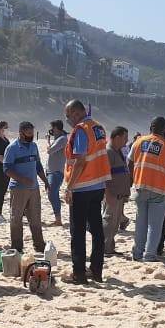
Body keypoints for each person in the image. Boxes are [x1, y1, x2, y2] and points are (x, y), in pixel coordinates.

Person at [63, 99, 112, 284]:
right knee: (97, 230)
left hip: (82, 187)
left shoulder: (81, 130)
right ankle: (97, 270)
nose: (68, 119)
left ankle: (79, 273)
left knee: (78, 231)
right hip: (98, 185)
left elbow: (80, 160)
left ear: (77, 113)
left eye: (69, 116)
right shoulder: (99, 127)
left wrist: (69, 187)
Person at [129, 117, 165, 263]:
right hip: (159, 189)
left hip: (140, 187)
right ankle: (149, 255)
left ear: (150, 127)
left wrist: (133, 180)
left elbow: (130, 163)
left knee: (140, 223)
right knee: (154, 225)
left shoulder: (138, 142)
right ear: (164, 129)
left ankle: (137, 253)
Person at [3, 122, 49, 252]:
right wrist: (22, 179)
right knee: (16, 218)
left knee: (35, 217)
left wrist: (45, 181)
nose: (31, 136)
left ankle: (39, 245)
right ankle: (17, 247)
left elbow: (38, 165)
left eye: (32, 133)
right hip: (18, 188)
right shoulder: (12, 148)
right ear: (21, 132)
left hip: (34, 188)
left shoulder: (34, 146)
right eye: (28, 133)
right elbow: (6, 169)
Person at [102, 126, 131, 256]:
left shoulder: (118, 151)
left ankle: (110, 247)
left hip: (119, 194)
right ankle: (104, 248)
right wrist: (108, 194)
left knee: (114, 223)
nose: (127, 141)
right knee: (109, 221)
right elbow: (105, 175)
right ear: (117, 137)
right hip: (112, 194)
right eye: (125, 138)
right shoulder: (108, 152)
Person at [46, 120, 68, 225]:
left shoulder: (62, 139)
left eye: (52, 128)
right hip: (51, 170)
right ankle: (57, 218)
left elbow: (50, 151)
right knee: (52, 194)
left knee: (52, 194)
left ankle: (58, 219)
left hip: (56, 171)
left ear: (56, 128)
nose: (51, 131)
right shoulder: (58, 138)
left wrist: (48, 142)